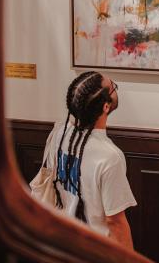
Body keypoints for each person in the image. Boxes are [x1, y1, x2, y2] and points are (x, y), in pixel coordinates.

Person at [36, 71, 136, 250]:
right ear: (106, 107)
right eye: (113, 87)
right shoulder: (110, 157)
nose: (115, 88)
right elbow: (115, 222)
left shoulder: (59, 135)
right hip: (94, 251)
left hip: (60, 242)